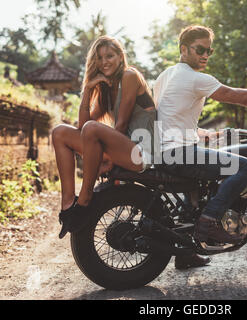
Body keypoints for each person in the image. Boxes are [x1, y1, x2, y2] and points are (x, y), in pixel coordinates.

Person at [52, 35, 209, 269]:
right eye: (100, 57)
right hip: (125, 147)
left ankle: (84, 199)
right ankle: (68, 202)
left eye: (110, 56)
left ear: (120, 56)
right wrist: (88, 89)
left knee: (94, 129)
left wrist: (110, 160)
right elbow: (81, 125)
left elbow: (121, 125)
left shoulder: (130, 76)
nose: (105, 61)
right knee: (60, 132)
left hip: (143, 151)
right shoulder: (106, 88)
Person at [154, 25, 247, 244]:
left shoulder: (165, 76)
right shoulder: (196, 78)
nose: (206, 55)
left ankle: (186, 253)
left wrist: (208, 135)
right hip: (180, 153)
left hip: (166, 151)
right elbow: (239, 97)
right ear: (184, 49)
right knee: (246, 167)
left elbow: (169, 116)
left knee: (201, 181)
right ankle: (209, 222)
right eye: (200, 50)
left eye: (209, 51)